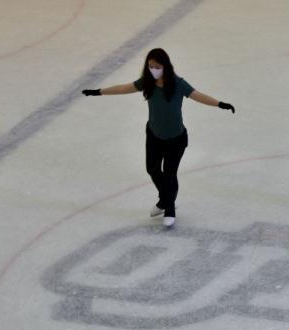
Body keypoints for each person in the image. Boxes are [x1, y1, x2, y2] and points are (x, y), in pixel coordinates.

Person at [82, 48, 235, 227]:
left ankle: (169, 207)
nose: (153, 70)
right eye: (150, 66)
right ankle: (164, 200)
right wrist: (98, 92)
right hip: (154, 135)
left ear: (165, 66)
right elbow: (124, 88)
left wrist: (220, 104)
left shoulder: (178, 84)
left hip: (176, 139)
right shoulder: (147, 82)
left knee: (169, 173)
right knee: (152, 169)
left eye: (157, 66)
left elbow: (197, 95)